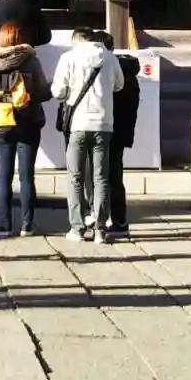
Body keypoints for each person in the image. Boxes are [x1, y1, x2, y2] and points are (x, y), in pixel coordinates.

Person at [52, 27, 123, 245]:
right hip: (103, 124)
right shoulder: (110, 58)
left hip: (78, 125)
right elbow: (119, 85)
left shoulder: (68, 58)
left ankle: (77, 228)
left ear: (76, 41)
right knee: (101, 178)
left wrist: (70, 92)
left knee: (75, 177)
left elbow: (57, 92)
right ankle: (100, 229)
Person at [0, 22, 51, 238]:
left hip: (1, 121)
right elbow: (43, 91)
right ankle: (27, 226)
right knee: (26, 176)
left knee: (4, 175)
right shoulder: (30, 61)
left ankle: (4, 225)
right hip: (28, 121)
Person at [110, 53, 142, 241]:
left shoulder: (119, 85)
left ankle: (117, 220)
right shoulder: (133, 83)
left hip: (112, 133)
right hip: (122, 135)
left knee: (110, 178)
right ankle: (119, 220)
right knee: (115, 177)